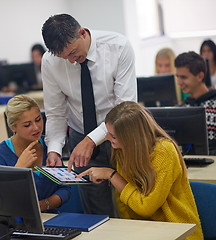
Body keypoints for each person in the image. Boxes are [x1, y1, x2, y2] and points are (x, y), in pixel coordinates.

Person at [41, 13, 137, 215]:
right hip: (80, 136)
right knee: (96, 210)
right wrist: (54, 149)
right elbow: (56, 112)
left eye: (74, 52)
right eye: (64, 57)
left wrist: (91, 139)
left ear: (82, 33)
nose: (72, 60)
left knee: (131, 202)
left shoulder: (118, 47)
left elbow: (125, 108)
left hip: (121, 135)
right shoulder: (50, 62)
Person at [77, 101, 203, 240]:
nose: (107, 139)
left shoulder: (164, 151)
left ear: (132, 138)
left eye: (113, 136)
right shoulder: (123, 150)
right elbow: (124, 204)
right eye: (108, 133)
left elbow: (146, 207)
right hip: (140, 230)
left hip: (177, 232)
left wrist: (111, 175)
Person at [0, 95, 71, 212]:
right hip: (16, 221)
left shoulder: (50, 146)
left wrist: (43, 205)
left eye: (38, 119)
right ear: (13, 127)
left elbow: (65, 188)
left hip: (51, 218)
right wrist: (18, 169)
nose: (36, 127)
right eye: (27, 125)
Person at [175, 51, 216, 155]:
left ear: (200, 76)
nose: (179, 82)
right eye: (177, 77)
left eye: (183, 77)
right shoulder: (181, 108)